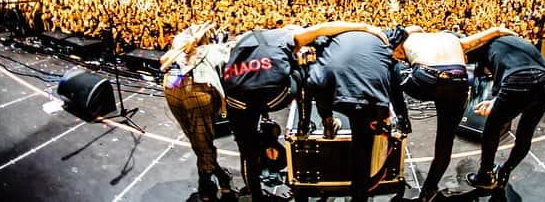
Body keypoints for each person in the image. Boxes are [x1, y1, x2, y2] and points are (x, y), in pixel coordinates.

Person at [221, 22, 388, 201]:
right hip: (274, 95)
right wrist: (364, 27)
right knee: (305, 69)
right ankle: (306, 123)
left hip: (235, 99)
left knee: (247, 151)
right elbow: (323, 28)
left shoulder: (241, 39)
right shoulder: (287, 36)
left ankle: (255, 195)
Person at [387, 25, 517, 202]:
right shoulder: (452, 39)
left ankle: (402, 118)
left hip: (426, 80)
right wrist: (500, 31)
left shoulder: (407, 39)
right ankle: (429, 190)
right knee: (445, 143)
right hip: (459, 82)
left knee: (391, 67)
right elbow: (488, 34)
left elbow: (393, 54)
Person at [304, 28, 402, 202]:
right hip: (370, 97)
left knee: (314, 77)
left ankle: (327, 121)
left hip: (328, 89)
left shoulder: (328, 36)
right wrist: (402, 115)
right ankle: (359, 196)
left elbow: (306, 35)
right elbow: (395, 76)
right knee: (362, 151)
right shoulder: (383, 37)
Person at [467, 34, 545, 192]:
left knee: (492, 128)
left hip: (519, 82)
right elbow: (514, 67)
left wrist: (496, 100)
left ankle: (485, 177)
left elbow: (508, 76)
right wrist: (495, 101)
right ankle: (505, 170)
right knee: (525, 133)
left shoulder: (485, 52)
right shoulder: (506, 42)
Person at [160, 24, 232, 201]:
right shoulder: (213, 49)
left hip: (172, 87)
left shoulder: (177, 49)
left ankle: (216, 178)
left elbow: (163, 62)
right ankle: (207, 182)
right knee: (202, 139)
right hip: (197, 91)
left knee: (196, 139)